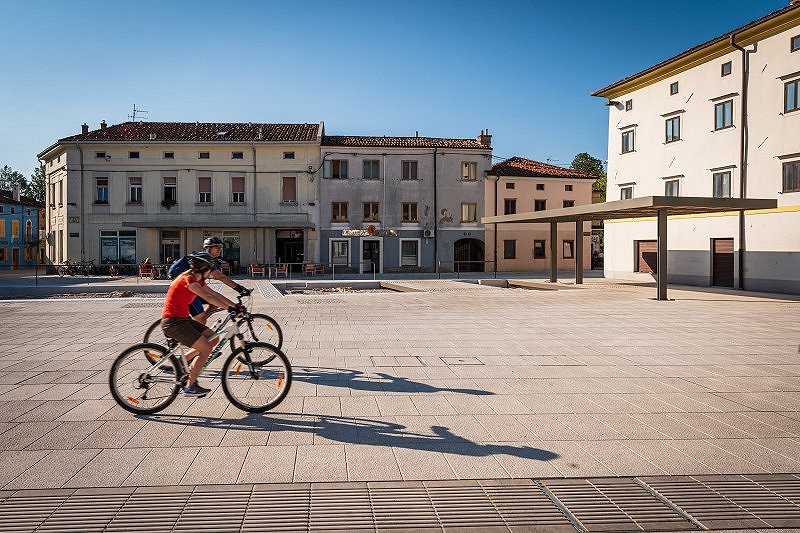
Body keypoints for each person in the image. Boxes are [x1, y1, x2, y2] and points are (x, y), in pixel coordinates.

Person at [161, 252, 245, 397]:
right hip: (173, 323)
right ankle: (190, 386)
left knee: (213, 338)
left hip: (183, 320)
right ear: (203, 269)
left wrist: (236, 306)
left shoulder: (197, 280)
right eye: (210, 269)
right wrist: (230, 309)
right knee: (206, 349)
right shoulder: (188, 280)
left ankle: (183, 361)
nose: (211, 272)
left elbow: (216, 295)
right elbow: (208, 297)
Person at [169, 237, 249, 324]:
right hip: (187, 289)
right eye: (216, 247)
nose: (219, 249)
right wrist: (240, 289)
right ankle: (196, 326)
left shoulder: (206, 261)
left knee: (214, 304)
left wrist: (235, 306)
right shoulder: (203, 262)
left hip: (194, 287)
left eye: (220, 247)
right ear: (207, 248)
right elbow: (221, 277)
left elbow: (214, 294)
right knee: (202, 316)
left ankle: (197, 323)